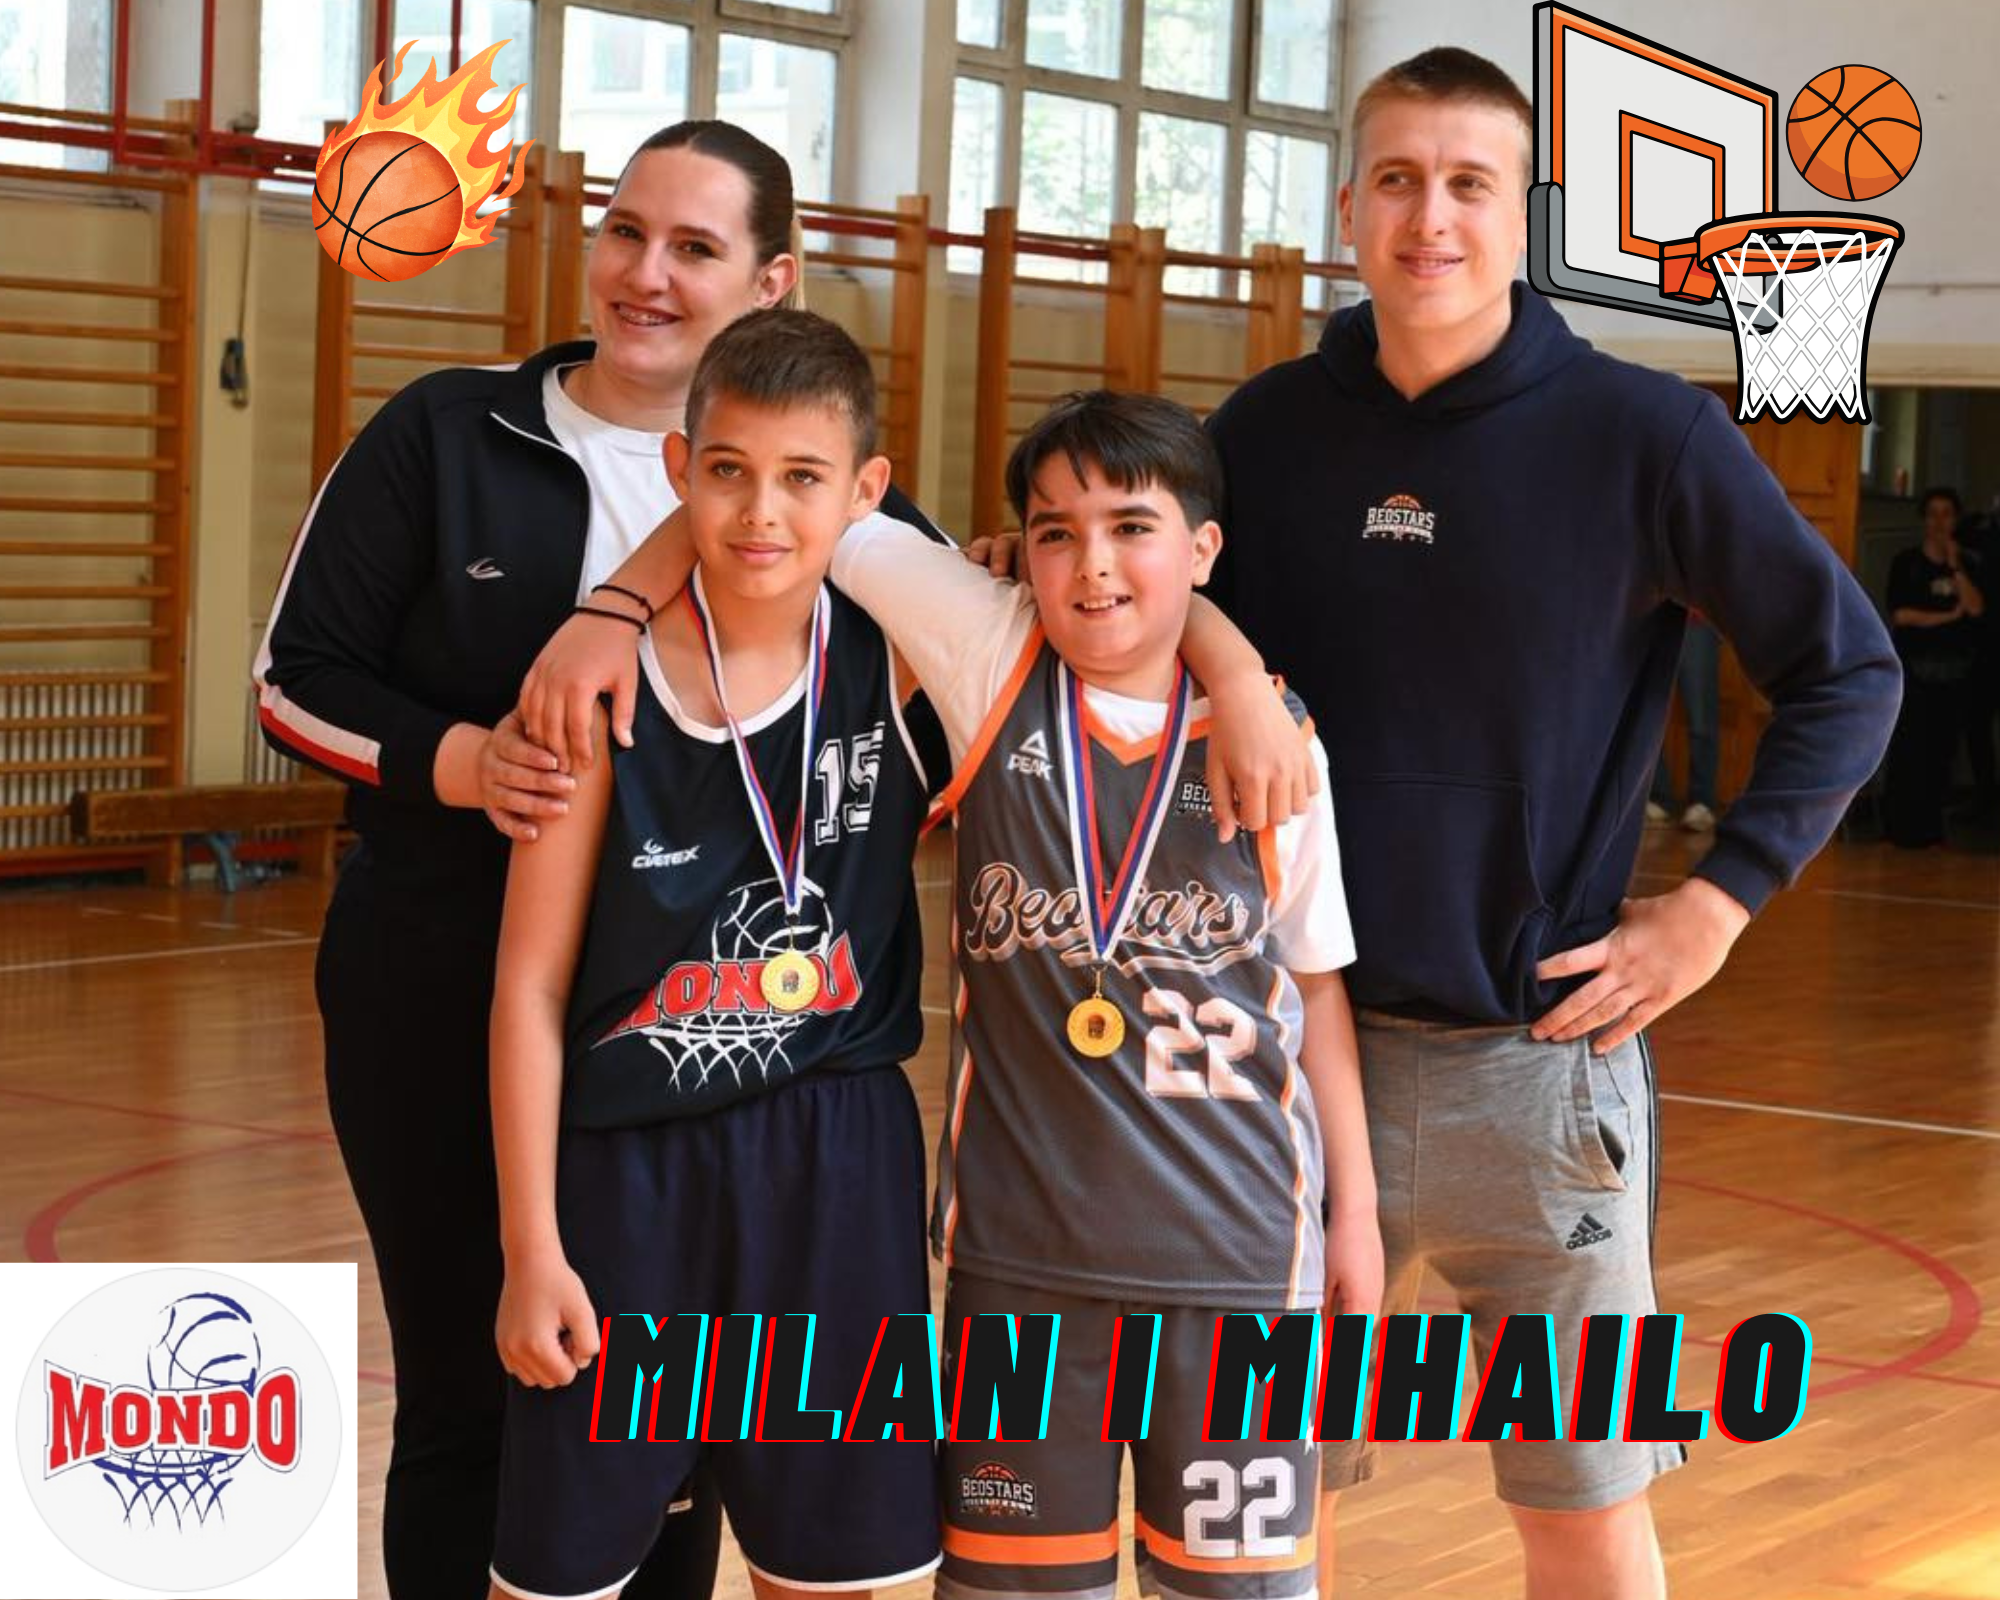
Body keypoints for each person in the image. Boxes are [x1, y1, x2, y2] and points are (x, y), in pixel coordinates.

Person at [1195, 47, 1901, 1600]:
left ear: (1527, 219)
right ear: (1348, 206)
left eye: (1470, 183)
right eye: (1398, 180)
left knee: (1583, 1511)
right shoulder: (1261, 434)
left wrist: (1715, 904)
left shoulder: (1643, 435)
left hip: (1546, 1071)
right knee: (1257, 1508)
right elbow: (1140, 609)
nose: (1429, 217)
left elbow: (1849, 669)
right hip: (1292, 1062)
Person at [252, 118, 816, 1599]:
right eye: (626, 232)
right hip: (433, 981)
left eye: (695, 247)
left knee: (668, 1412)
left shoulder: (800, 487)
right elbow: (293, 676)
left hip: (686, 1022)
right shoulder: (446, 432)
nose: (646, 273)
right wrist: (465, 763)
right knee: (469, 1388)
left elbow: (1007, 629)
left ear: (771, 282)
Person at [838, 391, 1381, 1600]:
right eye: (1053, 532)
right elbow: (812, 499)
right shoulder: (992, 657)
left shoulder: (1278, 745)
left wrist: (1354, 1214)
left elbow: (1314, 991)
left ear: (1202, 547)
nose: (1090, 565)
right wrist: (612, 615)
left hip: (1240, 1263)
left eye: (1130, 527)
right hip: (1018, 1267)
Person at [486, 309, 943, 1600]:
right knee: (557, 1577)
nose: (761, 511)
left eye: (803, 478)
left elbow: (1115, 607)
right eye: (729, 470)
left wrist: (1241, 678)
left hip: (839, 1162)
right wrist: (530, 1247)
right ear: (680, 468)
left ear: (865, 491)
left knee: (829, 1573)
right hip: (628, 1175)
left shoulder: (903, 656)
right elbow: (528, 985)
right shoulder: (595, 686)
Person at [1883, 486, 1985, 846]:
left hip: (1954, 671)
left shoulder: (1968, 564)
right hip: (1914, 669)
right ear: (1924, 520)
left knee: (1943, 752)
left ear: (1955, 520)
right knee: (1909, 747)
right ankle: (1898, 829)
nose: (1940, 522)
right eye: (1933, 514)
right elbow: (1901, 615)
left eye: (1947, 514)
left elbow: (1975, 608)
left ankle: (1931, 830)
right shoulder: (1906, 563)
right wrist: (1947, 617)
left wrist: (1955, 565)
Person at [1644, 615, 1720, 833]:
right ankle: (1658, 797)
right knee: (1647, 718)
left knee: (1701, 717)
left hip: (1696, 620)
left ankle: (1702, 802)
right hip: (1649, 620)